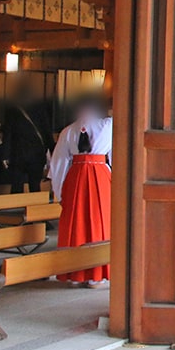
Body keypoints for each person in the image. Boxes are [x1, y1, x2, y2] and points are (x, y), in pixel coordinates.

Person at [49, 95, 112, 287]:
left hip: (76, 177)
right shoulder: (107, 126)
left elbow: (59, 163)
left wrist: (59, 191)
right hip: (100, 176)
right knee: (99, 223)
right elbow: (117, 155)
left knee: (75, 223)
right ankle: (96, 274)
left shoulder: (68, 131)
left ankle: (74, 272)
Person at [3, 79, 55, 193]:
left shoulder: (13, 109)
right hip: (37, 153)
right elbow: (47, 132)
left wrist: (5, 155)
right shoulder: (40, 109)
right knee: (35, 184)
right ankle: (34, 208)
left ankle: (16, 208)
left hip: (18, 153)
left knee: (17, 185)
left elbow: (8, 134)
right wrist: (53, 151)